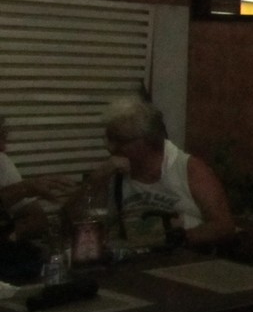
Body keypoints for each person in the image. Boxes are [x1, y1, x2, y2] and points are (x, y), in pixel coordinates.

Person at [76, 95, 236, 250]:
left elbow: (224, 226)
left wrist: (172, 239)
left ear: (146, 141)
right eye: (108, 139)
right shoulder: (113, 174)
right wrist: (97, 177)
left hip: (185, 257)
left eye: (120, 140)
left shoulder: (188, 169)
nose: (110, 147)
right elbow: (74, 222)